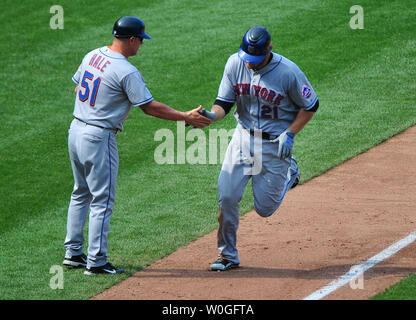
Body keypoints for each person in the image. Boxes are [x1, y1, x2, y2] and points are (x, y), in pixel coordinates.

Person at [62, 16, 211, 275]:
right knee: (102, 199)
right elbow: (150, 108)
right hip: (99, 137)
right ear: (131, 39)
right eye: (140, 40)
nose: (141, 45)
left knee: (81, 192)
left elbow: (78, 88)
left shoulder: (92, 55)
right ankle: (96, 262)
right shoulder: (126, 71)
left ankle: (73, 253)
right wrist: (186, 116)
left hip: (75, 131)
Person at [205, 26, 319, 271]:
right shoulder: (235, 63)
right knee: (227, 197)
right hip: (242, 138)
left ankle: (290, 171)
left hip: (274, 145)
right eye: (247, 59)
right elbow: (223, 102)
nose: (250, 65)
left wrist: (290, 133)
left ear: (269, 51)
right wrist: (210, 117)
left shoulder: (288, 72)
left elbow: (310, 104)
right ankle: (227, 256)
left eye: (255, 61)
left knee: (264, 209)